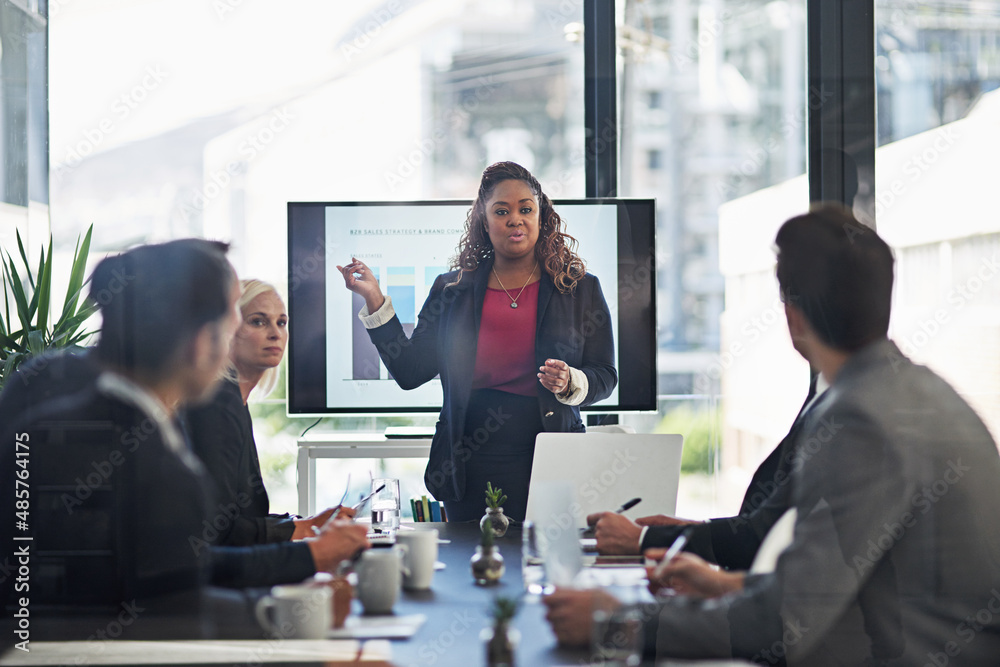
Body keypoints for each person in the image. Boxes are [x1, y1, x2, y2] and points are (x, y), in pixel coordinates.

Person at [544, 205, 1000, 664]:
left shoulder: (860, 419)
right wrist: (730, 585)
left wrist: (616, 623)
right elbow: (830, 582)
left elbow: (781, 625)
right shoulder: (916, 390)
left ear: (794, 316)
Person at [0, 240, 368, 641]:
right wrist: (288, 609)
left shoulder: (38, 388)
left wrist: (300, 559)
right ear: (202, 341)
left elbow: (165, 572)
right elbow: (172, 609)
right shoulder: (158, 465)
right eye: (233, 324)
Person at [338, 161, 617, 521]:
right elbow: (410, 370)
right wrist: (374, 299)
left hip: (551, 454)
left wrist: (572, 382)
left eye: (525, 209)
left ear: (541, 217)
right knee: (469, 567)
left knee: (546, 566)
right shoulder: (452, 290)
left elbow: (605, 376)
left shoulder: (578, 287)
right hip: (467, 463)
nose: (515, 219)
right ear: (484, 222)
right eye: (501, 211)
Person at [588, 371, 827, 570]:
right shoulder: (821, 393)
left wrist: (641, 539)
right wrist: (687, 531)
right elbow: (763, 525)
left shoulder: (841, 411)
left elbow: (760, 536)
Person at [184, 279, 346, 546]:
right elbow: (217, 530)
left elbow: (240, 518)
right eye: (258, 321)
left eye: (281, 322)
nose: (275, 333)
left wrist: (304, 524)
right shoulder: (217, 403)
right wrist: (300, 530)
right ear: (227, 329)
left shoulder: (235, 399)